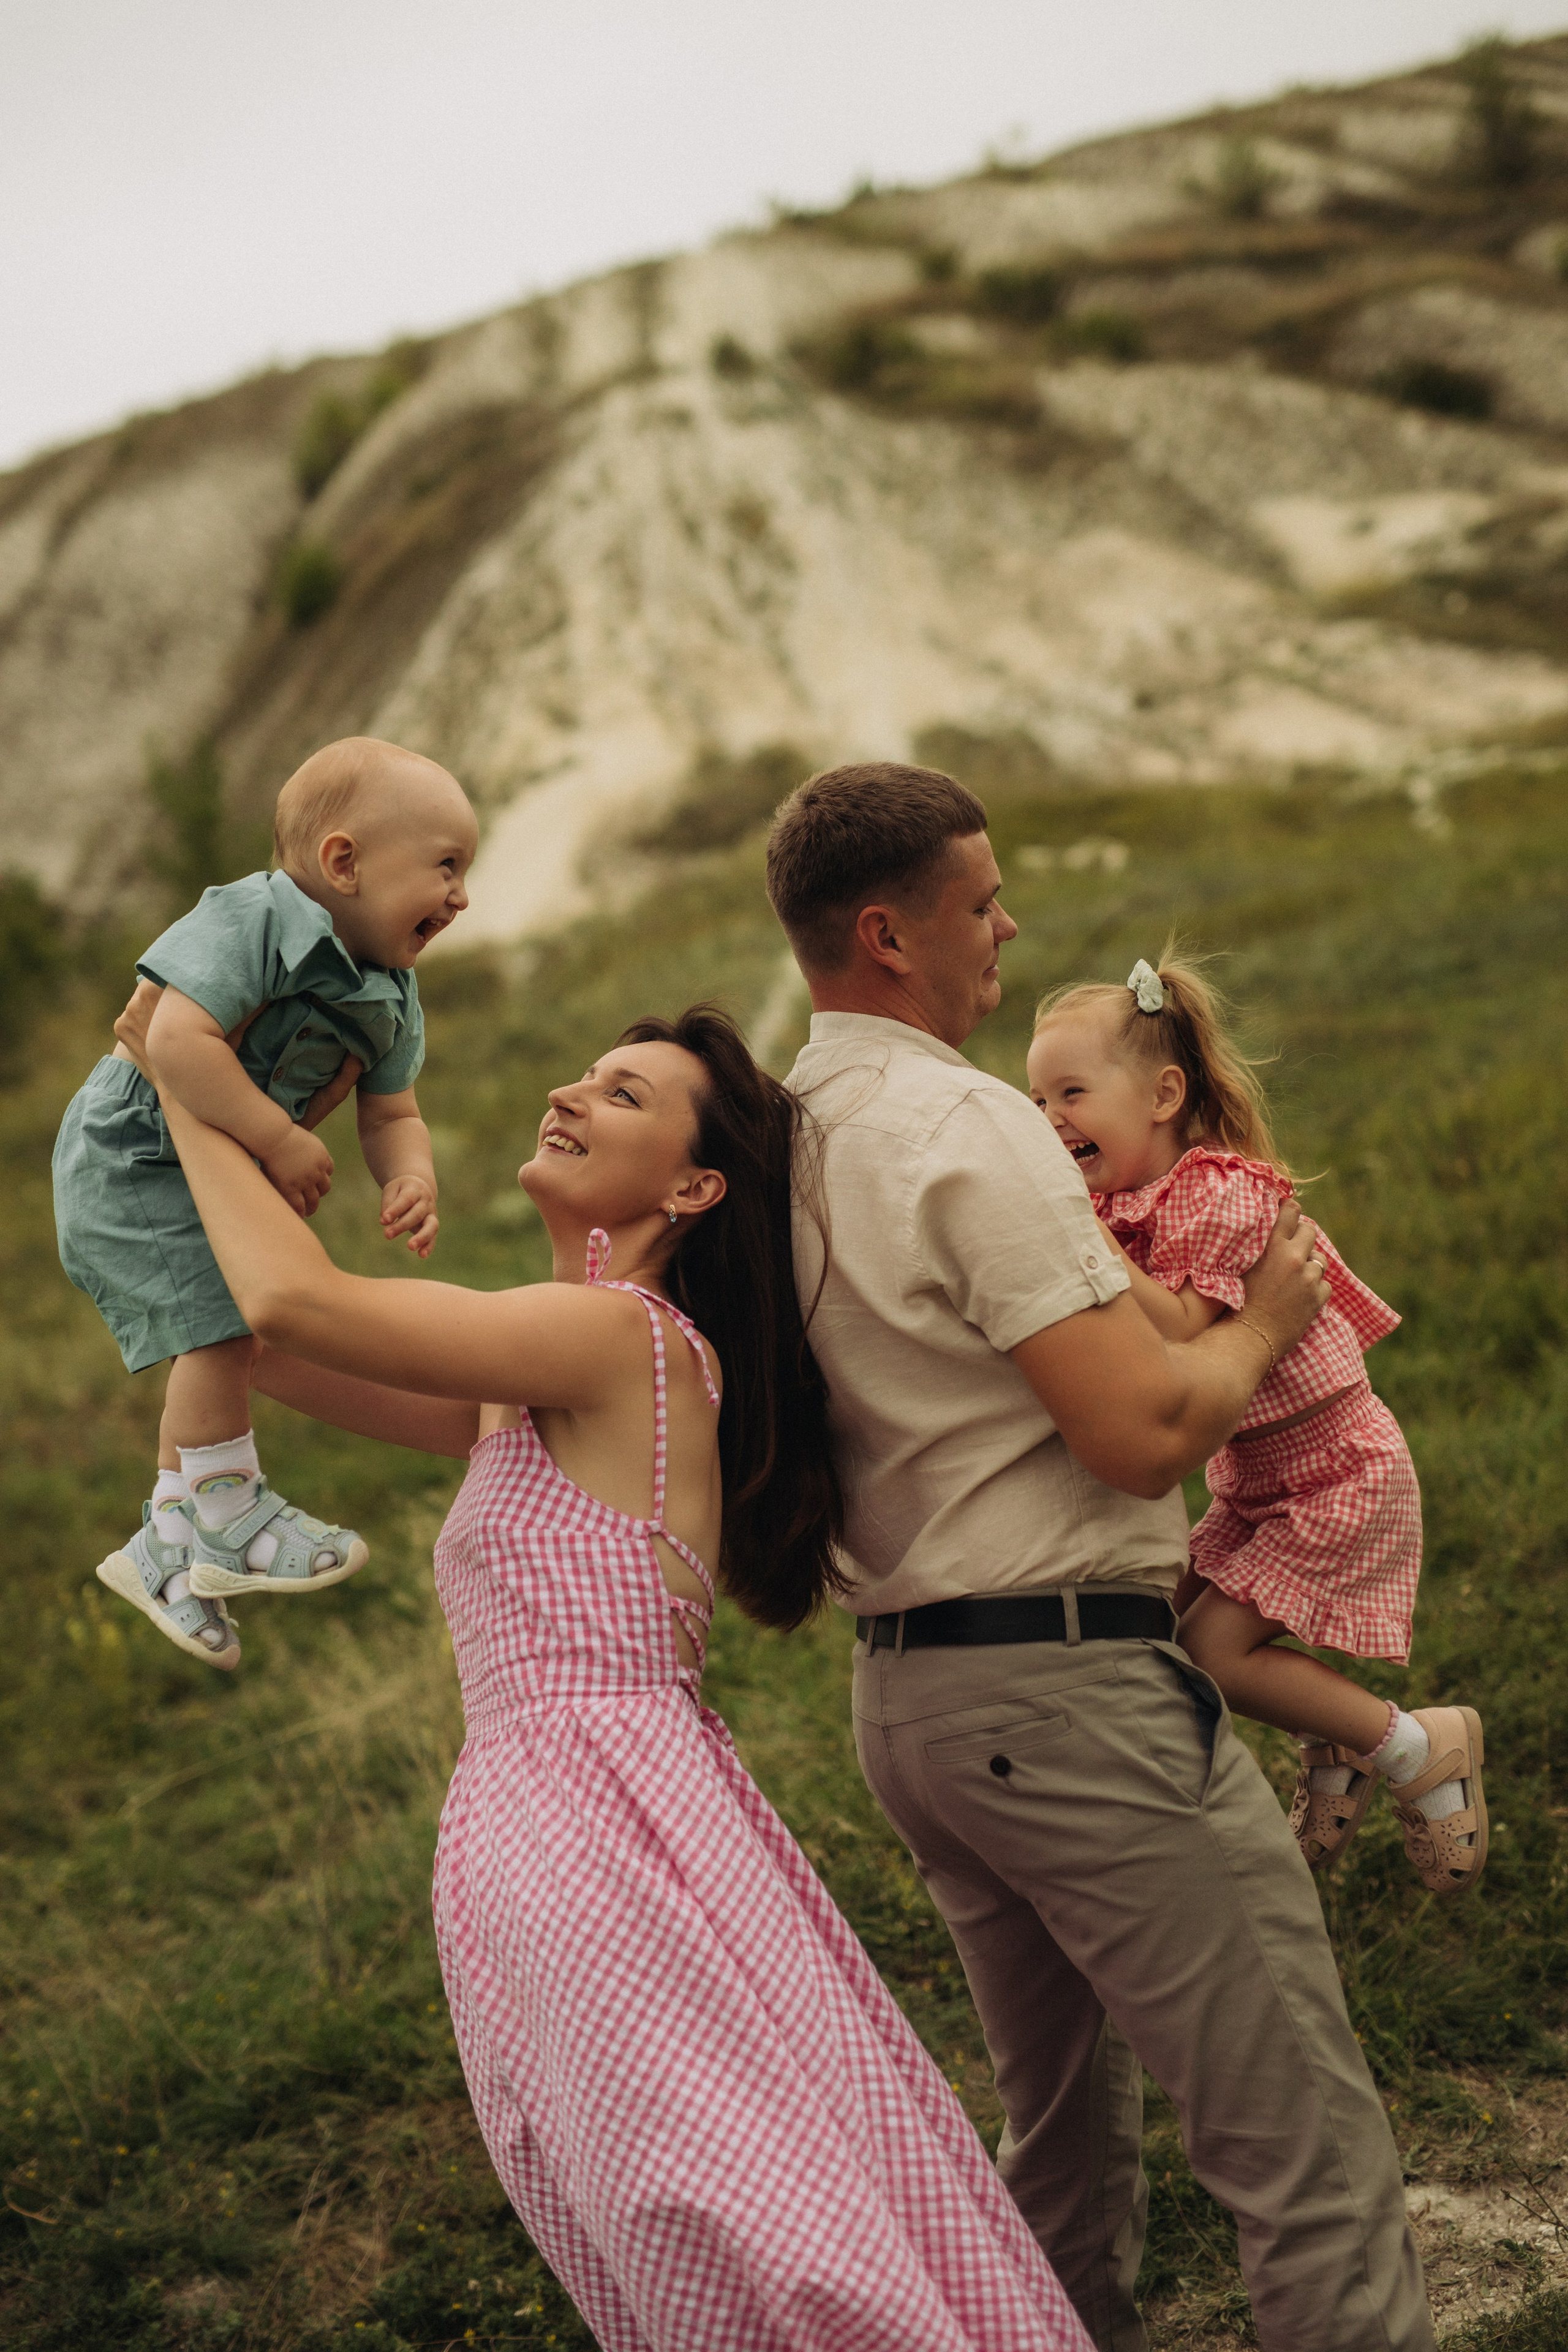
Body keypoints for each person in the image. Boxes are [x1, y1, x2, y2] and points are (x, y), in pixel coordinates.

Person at [140, 998, 1093, 2352]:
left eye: (625, 1096)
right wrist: (205, 1131)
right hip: (542, 1826)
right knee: (670, 2220)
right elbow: (251, 1338)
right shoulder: (530, 1366)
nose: (573, 1094)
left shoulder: (622, 1341)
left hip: (603, 1823)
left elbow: (289, 1298)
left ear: (695, 1186)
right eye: (583, 1072)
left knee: (732, 2217)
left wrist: (190, 1084)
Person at [766, 761, 1435, 2352]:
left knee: (1056, 2147)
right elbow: (1140, 1434)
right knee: (1305, 2154)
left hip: (906, 1707)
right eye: (983, 901)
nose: (1009, 928)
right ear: (889, 932)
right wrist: (1271, 1321)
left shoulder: (784, 1130)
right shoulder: (969, 1125)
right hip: (1064, 1690)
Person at [1027, 952, 1485, 1898]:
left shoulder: (1218, 1192)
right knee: (1156, 1619)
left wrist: (1088, 1247)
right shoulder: (1117, 1206)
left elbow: (1192, 1327)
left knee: (1213, 1654)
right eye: (1036, 1101)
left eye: (1071, 1092)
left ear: (1162, 1094)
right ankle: (1333, 1750)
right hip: (1257, 1478)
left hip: (1333, 1472)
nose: (1051, 1119)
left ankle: (1413, 1747)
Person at [53, 736, 477, 1670]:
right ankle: (228, 1508)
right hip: (136, 1151)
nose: (461, 896)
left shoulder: (395, 999)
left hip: (214, 1164)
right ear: (343, 862)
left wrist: (411, 1173)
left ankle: (166, 1546)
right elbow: (175, 1037)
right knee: (220, 1330)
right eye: (445, 867)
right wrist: (280, 1137)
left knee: (229, 1326)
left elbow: (393, 1108)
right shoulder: (253, 919)